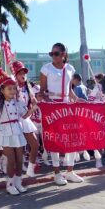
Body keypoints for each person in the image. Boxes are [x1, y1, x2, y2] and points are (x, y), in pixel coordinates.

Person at [38, 42, 84, 186]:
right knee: (56, 140)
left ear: (63, 54)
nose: (53, 56)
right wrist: (47, 102)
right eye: (51, 53)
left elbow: (69, 91)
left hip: (67, 107)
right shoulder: (46, 68)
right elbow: (42, 91)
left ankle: (70, 171)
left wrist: (77, 100)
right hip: (53, 107)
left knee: (70, 138)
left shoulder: (70, 68)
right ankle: (57, 173)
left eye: (56, 53)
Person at [0, 68, 34, 195]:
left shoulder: (18, 103)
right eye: (9, 89)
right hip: (5, 133)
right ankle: (10, 184)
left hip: (17, 131)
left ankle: (18, 182)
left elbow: (24, 116)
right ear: (2, 90)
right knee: (11, 159)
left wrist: (33, 108)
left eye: (13, 88)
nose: (12, 91)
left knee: (20, 159)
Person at [11, 61, 40, 177]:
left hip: (25, 119)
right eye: (20, 73)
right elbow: (21, 112)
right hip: (15, 120)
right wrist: (33, 108)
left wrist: (35, 102)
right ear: (15, 75)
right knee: (18, 148)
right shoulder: (12, 88)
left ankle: (30, 168)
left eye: (24, 73)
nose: (23, 75)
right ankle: (14, 175)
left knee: (35, 145)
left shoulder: (28, 88)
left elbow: (32, 104)